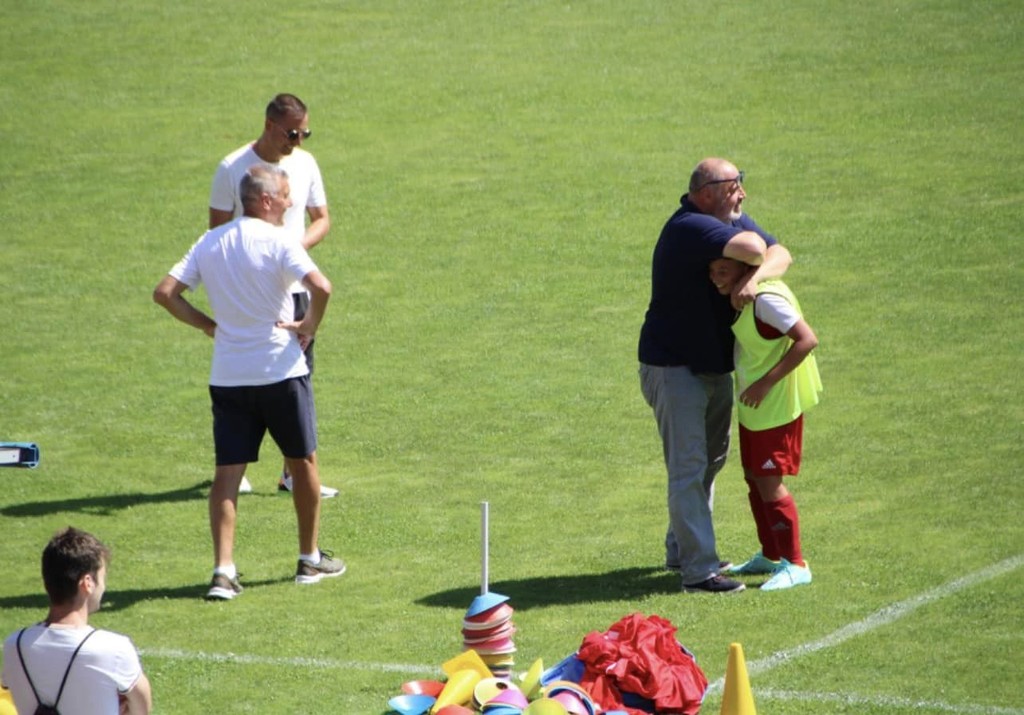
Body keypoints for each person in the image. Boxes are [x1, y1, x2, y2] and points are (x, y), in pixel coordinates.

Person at [154, 164, 347, 600]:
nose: (290, 202)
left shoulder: (209, 242)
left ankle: (223, 572)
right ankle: (308, 560)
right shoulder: (279, 240)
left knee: (227, 475)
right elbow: (323, 286)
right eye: (284, 196)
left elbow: (165, 293)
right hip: (280, 370)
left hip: (228, 376)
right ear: (264, 200)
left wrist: (209, 325)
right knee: (303, 464)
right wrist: (308, 324)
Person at [638, 157, 793, 594]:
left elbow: (781, 253)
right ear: (705, 192)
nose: (742, 193)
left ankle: (681, 549)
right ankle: (699, 570)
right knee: (688, 466)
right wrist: (756, 263)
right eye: (733, 186)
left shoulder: (725, 219)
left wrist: (753, 281)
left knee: (709, 460)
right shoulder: (693, 226)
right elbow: (755, 249)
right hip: (674, 368)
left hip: (710, 366)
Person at [209, 92, 338, 498]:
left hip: (294, 289)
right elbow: (215, 232)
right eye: (292, 133)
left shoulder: (305, 163)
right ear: (269, 126)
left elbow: (322, 219)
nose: (297, 142)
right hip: (249, 291)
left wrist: (293, 251)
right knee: (242, 376)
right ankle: (235, 464)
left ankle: (291, 472)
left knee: (297, 377)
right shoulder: (232, 167)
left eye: (304, 133)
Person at [709, 257, 822, 590]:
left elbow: (807, 340)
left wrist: (765, 383)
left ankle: (797, 564)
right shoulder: (746, 295)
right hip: (756, 408)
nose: (716, 279)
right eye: (712, 272)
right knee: (755, 477)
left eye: (724, 271)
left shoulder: (766, 301)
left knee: (770, 482)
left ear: (746, 269)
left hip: (774, 406)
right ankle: (771, 556)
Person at [2, 527, 153, 715]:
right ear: (87, 583)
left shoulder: (13, 645)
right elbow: (142, 708)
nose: (104, 587)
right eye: (102, 578)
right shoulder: (113, 649)